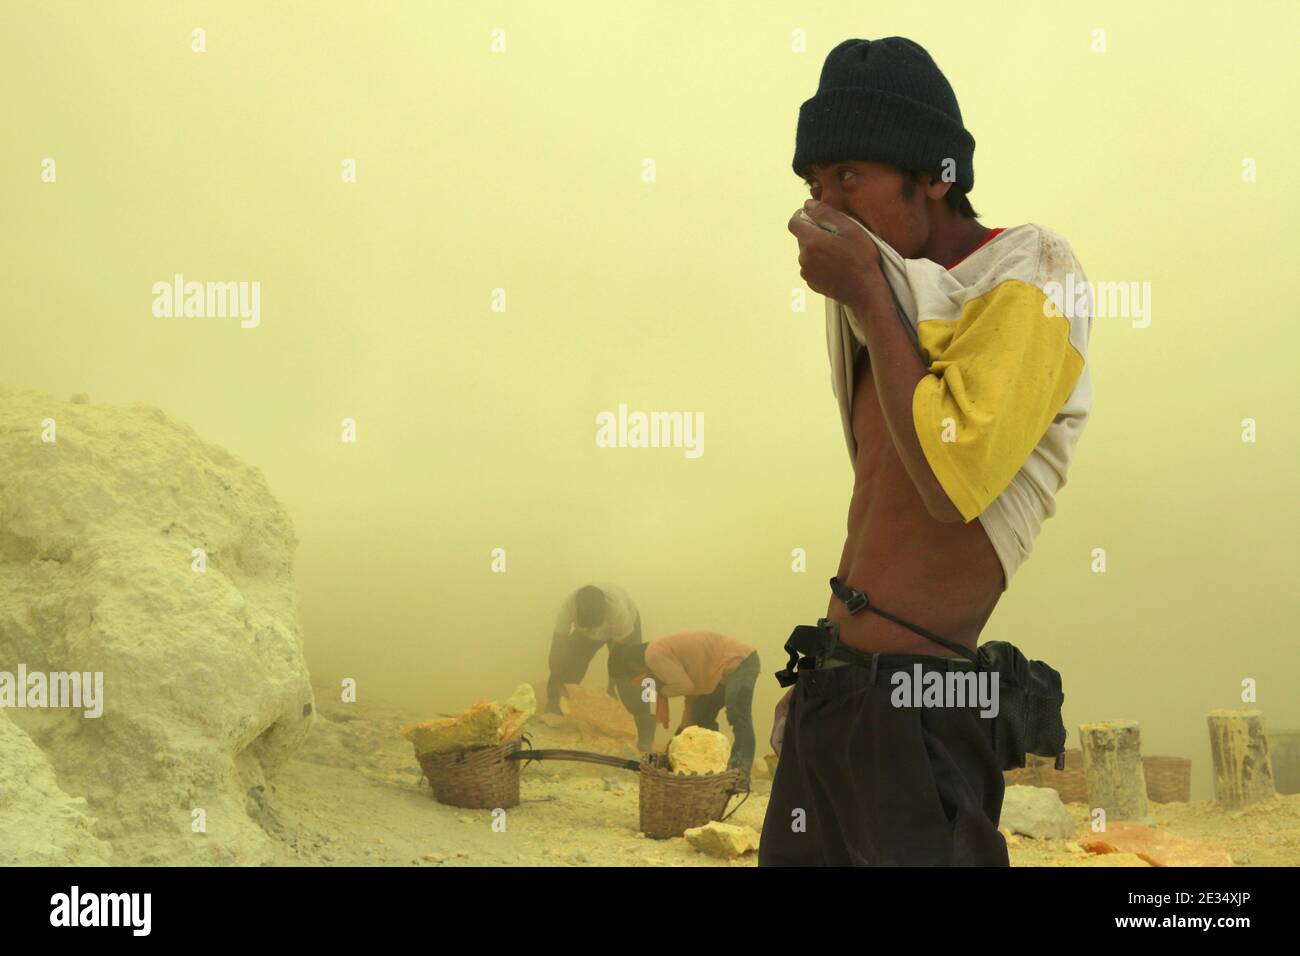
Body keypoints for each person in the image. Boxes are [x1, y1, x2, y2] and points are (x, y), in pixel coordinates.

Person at [763, 37, 1093, 866]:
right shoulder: (894, 300)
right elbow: (879, 514)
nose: (827, 205)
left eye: (850, 177)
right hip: (836, 694)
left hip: (923, 706)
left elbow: (950, 482)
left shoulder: (1032, 268)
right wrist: (819, 687)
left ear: (935, 173)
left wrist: (869, 293)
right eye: (814, 183)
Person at [611, 632, 760, 782]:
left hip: (740, 661)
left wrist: (660, 689)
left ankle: (741, 771)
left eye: (632, 677)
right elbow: (690, 706)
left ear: (632, 666)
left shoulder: (654, 655)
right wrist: (674, 747)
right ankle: (711, 769)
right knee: (701, 716)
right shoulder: (672, 661)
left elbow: (684, 686)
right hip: (722, 671)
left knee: (737, 713)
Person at [547, 583, 657, 751]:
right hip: (585, 635)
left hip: (623, 636)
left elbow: (618, 657)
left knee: (629, 677)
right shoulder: (570, 606)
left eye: (594, 626)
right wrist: (556, 678)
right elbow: (557, 644)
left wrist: (611, 688)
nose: (594, 633)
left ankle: (645, 728)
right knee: (567, 664)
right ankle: (554, 714)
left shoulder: (619, 612)